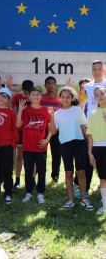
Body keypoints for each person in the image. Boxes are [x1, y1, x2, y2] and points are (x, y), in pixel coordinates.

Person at [49, 87, 93, 211]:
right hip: (65, 145)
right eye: (63, 97)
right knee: (68, 173)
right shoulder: (57, 113)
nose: (65, 99)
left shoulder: (77, 110)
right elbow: (52, 131)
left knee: (81, 172)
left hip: (79, 144)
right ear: (59, 98)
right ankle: (70, 200)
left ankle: (84, 198)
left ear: (72, 98)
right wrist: (51, 117)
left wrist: (90, 143)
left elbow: (84, 128)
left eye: (68, 97)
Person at [16, 87, 52, 204]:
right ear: (29, 97)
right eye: (33, 94)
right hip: (28, 146)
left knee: (41, 171)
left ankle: (40, 193)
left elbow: (52, 129)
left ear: (41, 97)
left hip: (41, 146)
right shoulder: (26, 110)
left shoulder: (46, 111)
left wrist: (47, 140)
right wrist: (20, 110)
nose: (35, 97)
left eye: (38, 94)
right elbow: (18, 125)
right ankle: (28, 192)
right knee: (28, 170)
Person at [79, 60, 106, 196]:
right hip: (91, 128)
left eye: (100, 69)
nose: (97, 71)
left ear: (104, 70)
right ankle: (86, 189)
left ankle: (104, 193)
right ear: (91, 71)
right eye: (94, 69)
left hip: (104, 128)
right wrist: (83, 122)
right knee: (88, 158)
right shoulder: (87, 87)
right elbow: (82, 104)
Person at [87, 86, 106, 215]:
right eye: (97, 95)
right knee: (103, 178)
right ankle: (105, 206)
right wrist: (90, 152)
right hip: (98, 149)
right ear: (94, 98)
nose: (100, 96)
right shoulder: (93, 114)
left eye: (102, 93)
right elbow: (90, 136)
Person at [11, 79, 33, 189]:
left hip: (32, 130)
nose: (27, 94)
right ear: (22, 89)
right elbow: (11, 108)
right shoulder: (17, 97)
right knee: (19, 155)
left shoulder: (35, 97)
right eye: (25, 92)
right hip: (20, 130)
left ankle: (32, 179)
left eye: (29, 92)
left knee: (31, 157)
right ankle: (17, 179)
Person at [41, 76, 61, 183]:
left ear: (56, 85)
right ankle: (40, 174)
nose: (51, 85)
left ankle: (55, 175)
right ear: (45, 86)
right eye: (48, 83)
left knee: (56, 154)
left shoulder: (59, 99)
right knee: (41, 154)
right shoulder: (41, 98)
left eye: (53, 83)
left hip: (56, 131)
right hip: (42, 130)